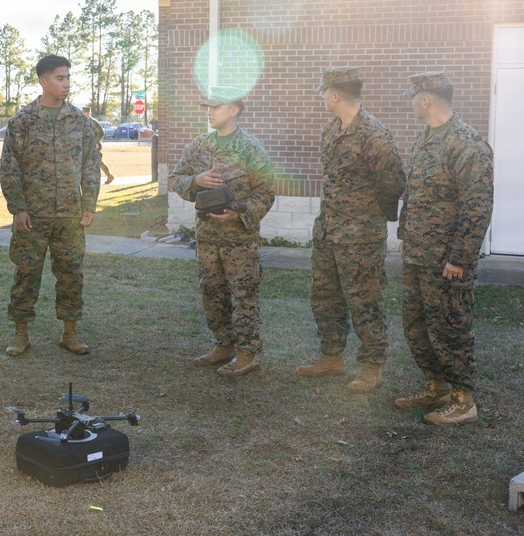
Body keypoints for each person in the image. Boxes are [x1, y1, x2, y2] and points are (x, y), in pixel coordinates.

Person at [296, 67, 406, 392]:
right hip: (328, 232)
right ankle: (331, 356)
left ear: (335, 94)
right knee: (325, 295)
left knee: (364, 300)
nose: (321, 97)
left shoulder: (374, 134)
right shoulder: (331, 129)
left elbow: (394, 183)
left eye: (323, 91)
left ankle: (372, 364)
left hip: (360, 237)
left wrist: (370, 217)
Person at [395, 71, 494, 425]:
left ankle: (464, 401)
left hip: (446, 261)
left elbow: (477, 206)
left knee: (450, 327)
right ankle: (436, 387)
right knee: (417, 325)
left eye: (412, 97)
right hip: (418, 255)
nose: (410, 103)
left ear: (425, 100)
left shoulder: (465, 143)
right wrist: (405, 231)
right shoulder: (425, 137)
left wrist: (459, 259)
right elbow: (414, 191)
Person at [0, 55, 100, 357]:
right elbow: (10, 168)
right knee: (26, 275)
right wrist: (17, 207)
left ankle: (70, 332)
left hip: (69, 215)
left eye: (68, 77)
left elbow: (90, 165)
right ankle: (21, 333)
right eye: (59, 77)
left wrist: (89, 204)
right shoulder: (22, 121)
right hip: (33, 215)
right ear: (43, 81)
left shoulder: (81, 122)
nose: (66, 83)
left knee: (71, 274)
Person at [169, 95, 275, 377]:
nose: (209, 112)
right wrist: (196, 181)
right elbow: (176, 180)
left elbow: (265, 193)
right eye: (208, 107)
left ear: (234, 110)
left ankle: (247, 354)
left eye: (215, 107)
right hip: (207, 238)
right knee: (212, 292)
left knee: (244, 296)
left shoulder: (251, 148)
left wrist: (240, 213)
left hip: (239, 240)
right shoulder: (199, 146)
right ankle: (224, 345)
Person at [83, 105, 114, 184]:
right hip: (85, 146)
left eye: (87, 112)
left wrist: (96, 142)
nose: (85, 114)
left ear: (89, 113)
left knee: (98, 162)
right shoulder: (81, 122)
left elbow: (101, 133)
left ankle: (109, 176)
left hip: (94, 146)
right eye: (84, 113)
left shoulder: (93, 122)